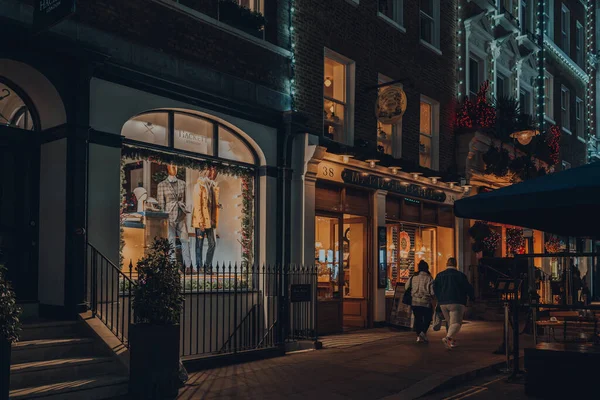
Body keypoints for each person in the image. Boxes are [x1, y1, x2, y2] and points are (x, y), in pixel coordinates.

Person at [433, 257, 474, 349]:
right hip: (457, 301)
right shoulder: (460, 275)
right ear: (456, 264)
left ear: (446, 264)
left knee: (450, 323)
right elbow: (467, 288)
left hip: (443, 302)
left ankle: (451, 342)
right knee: (456, 323)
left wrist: (439, 298)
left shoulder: (439, 275)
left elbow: (435, 288)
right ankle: (448, 338)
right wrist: (472, 298)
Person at [406, 260, 435, 343]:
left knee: (418, 319)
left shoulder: (413, 277)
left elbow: (406, 286)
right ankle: (423, 333)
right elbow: (432, 292)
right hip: (425, 302)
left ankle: (419, 336)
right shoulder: (429, 278)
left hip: (414, 302)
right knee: (428, 318)